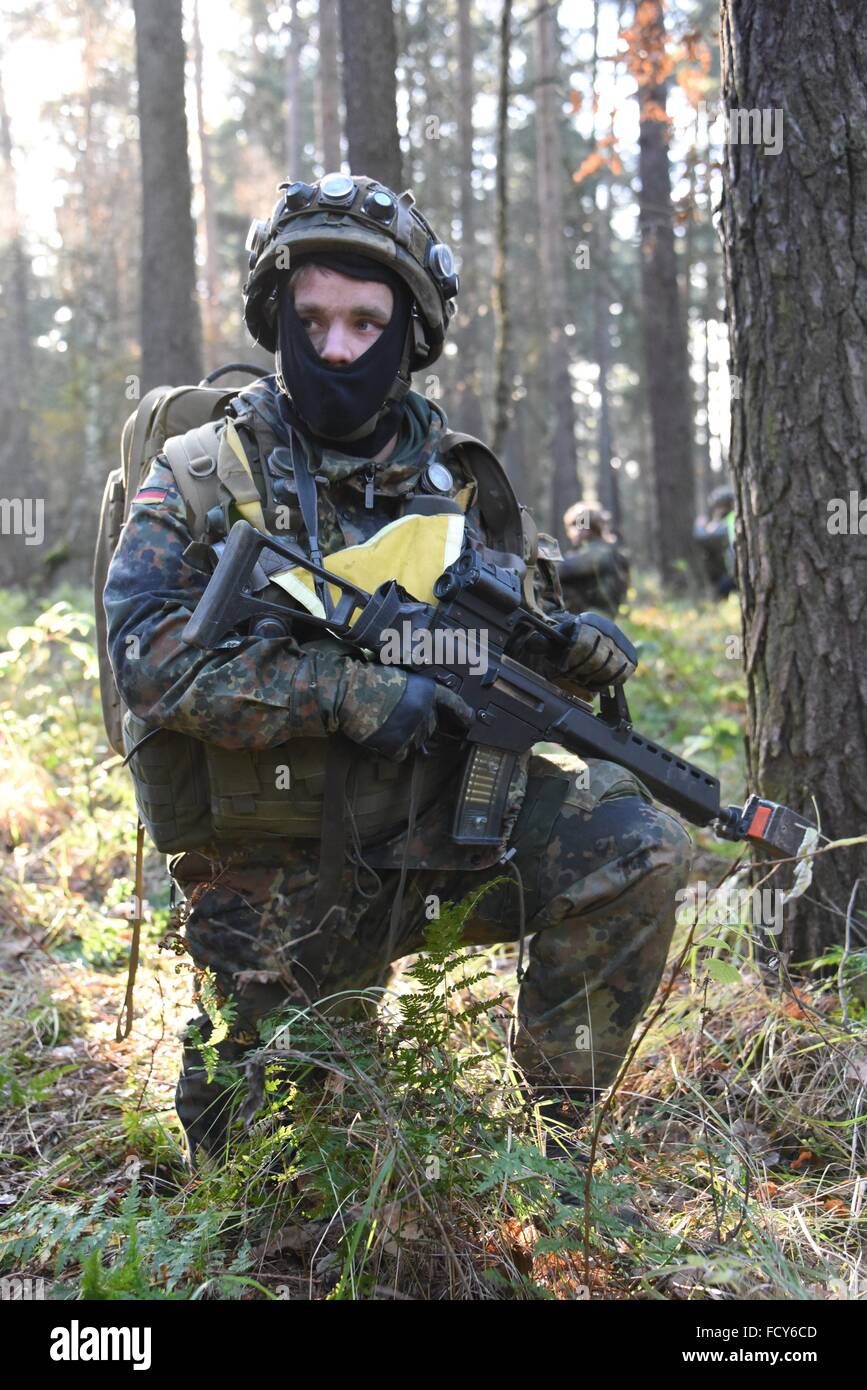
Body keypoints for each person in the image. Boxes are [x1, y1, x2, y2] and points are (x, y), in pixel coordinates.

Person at [103, 173, 692, 1167]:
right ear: (276, 317)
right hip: (270, 875)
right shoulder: (206, 474)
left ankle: (556, 1165)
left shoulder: (454, 480)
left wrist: (568, 652)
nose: (336, 349)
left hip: (428, 842)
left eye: (365, 323)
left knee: (629, 839)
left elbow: (500, 637)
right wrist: (346, 690)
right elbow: (149, 660)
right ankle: (290, 1050)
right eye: (313, 318)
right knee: (267, 1174)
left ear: (409, 333)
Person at [558, 502, 631, 617]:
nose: (573, 532)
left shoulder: (599, 551)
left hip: (593, 616)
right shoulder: (603, 549)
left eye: (577, 526)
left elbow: (563, 569)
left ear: (588, 528)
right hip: (592, 614)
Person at [693, 484, 736, 598]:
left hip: (734, 576)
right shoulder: (730, 519)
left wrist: (699, 527)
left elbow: (703, 537)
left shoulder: (730, 520)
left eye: (717, 507)